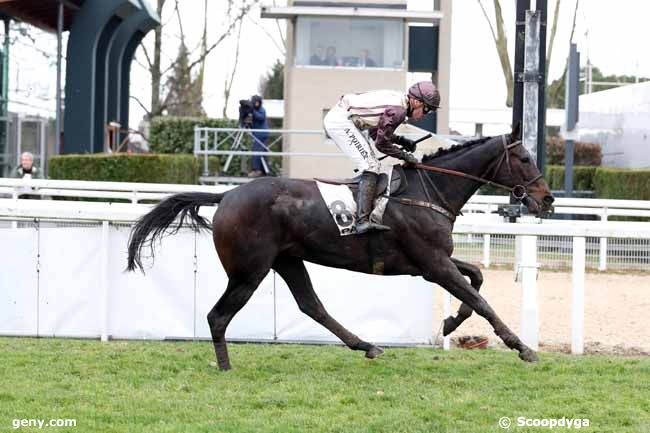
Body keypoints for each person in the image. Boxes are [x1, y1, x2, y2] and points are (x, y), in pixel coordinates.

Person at [323, 81, 440, 234]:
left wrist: (402, 141)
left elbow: (376, 132)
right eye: (426, 110)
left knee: (372, 164)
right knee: (371, 165)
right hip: (340, 122)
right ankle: (362, 221)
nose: (424, 115)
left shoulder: (399, 103)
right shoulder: (399, 111)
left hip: (341, 118)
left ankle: (362, 216)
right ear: (416, 102)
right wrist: (405, 156)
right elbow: (382, 144)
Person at [248, 95, 270, 178]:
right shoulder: (254, 110)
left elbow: (261, 117)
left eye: (258, 102)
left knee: (256, 151)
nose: (256, 104)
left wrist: (252, 111)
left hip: (261, 134)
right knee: (262, 152)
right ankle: (264, 170)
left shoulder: (262, 110)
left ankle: (256, 170)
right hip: (258, 133)